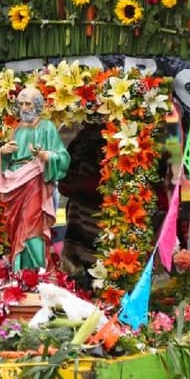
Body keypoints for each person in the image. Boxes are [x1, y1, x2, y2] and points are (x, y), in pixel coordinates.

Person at [0, 87, 70, 271]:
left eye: (28, 104)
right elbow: (8, 159)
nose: (24, 108)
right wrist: (3, 153)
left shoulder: (47, 127)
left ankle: (38, 271)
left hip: (35, 184)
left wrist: (46, 156)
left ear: (37, 105)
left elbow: (62, 157)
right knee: (17, 228)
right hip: (15, 185)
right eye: (21, 104)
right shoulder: (17, 129)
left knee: (32, 226)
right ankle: (19, 271)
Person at [58, 121, 105, 287]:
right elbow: (64, 180)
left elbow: (107, 183)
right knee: (80, 276)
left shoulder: (109, 141)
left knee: (100, 275)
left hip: (101, 218)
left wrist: (78, 185)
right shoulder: (81, 141)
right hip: (78, 218)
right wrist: (70, 184)